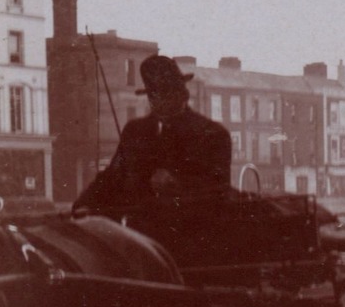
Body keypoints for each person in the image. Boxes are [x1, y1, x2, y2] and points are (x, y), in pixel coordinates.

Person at [75, 54, 232, 216]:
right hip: (138, 233)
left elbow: (219, 191)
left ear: (182, 92)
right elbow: (112, 178)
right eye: (153, 94)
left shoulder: (213, 135)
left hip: (188, 232)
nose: (158, 100)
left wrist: (178, 185)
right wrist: (84, 204)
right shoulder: (134, 132)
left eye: (166, 92)